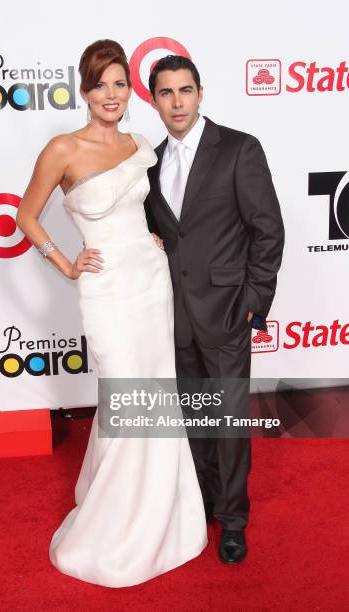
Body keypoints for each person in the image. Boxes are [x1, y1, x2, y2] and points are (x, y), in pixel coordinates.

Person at [15, 40, 207, 588]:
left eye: (120, 83)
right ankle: (114, 527)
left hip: (150, 281)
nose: (111, 94)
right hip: (107, 291)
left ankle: (160, 516)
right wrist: (65, 263)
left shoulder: (141, 144)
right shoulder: (63, 149)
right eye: (101, 84)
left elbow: (143, 209)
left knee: (155, 392)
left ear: (130, 91)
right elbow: (26, 217)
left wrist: (146, 235)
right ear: (85, 90)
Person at [144, 55, 285, 564]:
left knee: (227, 422)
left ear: (201, 93)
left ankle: (233, 521)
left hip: (228, 311)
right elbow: (158, 234)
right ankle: (202, 503)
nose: (177, 101)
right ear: (154, 100)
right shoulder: (151, 160)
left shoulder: (239, 149)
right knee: (193, 419)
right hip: (174, 315)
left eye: (185, 90)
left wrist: (253, 302)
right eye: (166, 93)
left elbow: (268, 230)